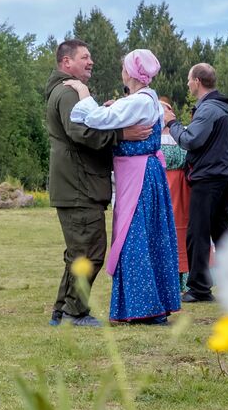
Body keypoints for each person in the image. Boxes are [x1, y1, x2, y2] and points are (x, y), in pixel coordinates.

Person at [63, 50, 181, 324]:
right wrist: (115, 106)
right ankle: (150, 306)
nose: (122, 73)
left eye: (124, 68)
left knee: (134, 237)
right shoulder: (146, 99)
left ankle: (143, 309)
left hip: (137, 176)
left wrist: (83, 92)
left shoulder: (138, 101)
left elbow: (94, 119)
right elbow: (119, 114)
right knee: (147, 236)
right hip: (144, 174)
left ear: (131, 73)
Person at [44, 38, 153, 326]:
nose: (91, 61)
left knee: (78, 251)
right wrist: (121, 134)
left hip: (77, 183)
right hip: (79, 184)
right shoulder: (68, 92)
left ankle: (63, 311)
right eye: (84, 57)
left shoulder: (65, 90)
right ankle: (75, 313)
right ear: (67, 62)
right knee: (89, 251)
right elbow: (80, 132)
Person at [163, 62, 228, 303]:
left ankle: (199, 288)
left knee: (198, 232)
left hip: (208, 178)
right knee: (220, 231)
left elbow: (190, 140)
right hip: (222, 176)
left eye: (188, 79)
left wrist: (172, 123)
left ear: (197, 81)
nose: (187, 84)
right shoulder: (222, 107)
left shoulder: (208, 109)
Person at [159, 96, 193, 288]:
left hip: (181, 187)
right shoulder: (150, 135)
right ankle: (166, 278)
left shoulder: (180, 132)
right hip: (161, 184)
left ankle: (186, 277)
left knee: (182, 228)